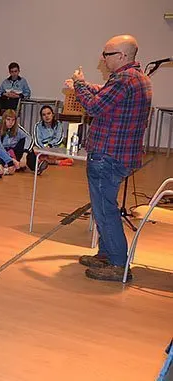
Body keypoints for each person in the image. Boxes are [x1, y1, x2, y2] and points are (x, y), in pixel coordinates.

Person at [66, 34, 152, 282]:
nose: (102, 59)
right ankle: (106, 253)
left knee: (105, 210)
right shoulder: (137, 78)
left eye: (107, 54)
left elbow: (93, 107)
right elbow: (106, 95)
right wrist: (84, 87)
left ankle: (117, 263)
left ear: (123, 56)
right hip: (120, 155)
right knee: (104, 207)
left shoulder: (123, 79)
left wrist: (80, 84)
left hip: (107, 155)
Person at [0, 109, 46, 174]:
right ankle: (12, 165)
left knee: (24, 141)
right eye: (8, 119)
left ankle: (36, 167)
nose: (11, 122)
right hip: (4, 153)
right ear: (4, 120)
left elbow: (29, 138)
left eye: (13, 120)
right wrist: (12, 160)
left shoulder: (17, 128)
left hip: (15, 151)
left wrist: (24, 155)